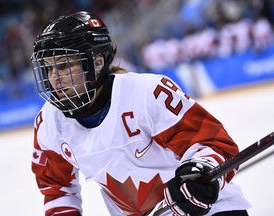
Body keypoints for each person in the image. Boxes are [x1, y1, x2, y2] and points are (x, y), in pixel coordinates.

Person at [31, 11, 251, 216]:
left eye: (63, 66)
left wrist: (200, 171)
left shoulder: (147, 93)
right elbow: (56, 188)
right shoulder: (49, 122)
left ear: (97, 62)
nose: (54, 78)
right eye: (48, 68)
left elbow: (216, 144)